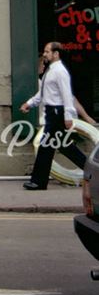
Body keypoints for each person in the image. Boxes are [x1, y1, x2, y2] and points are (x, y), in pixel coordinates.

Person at [20, 41, 87, 190]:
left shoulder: (60, 71)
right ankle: (93, 172)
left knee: (46, 147)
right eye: (44, 51)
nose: (44, 54)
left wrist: (69, 116)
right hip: (52, 112)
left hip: (57, 112)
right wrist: (29, 103)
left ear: (56, 54)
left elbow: (67, 95)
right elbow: (43, 93)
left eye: (47, 51)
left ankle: (38, 182)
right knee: (64, 146)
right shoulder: (50, 71)